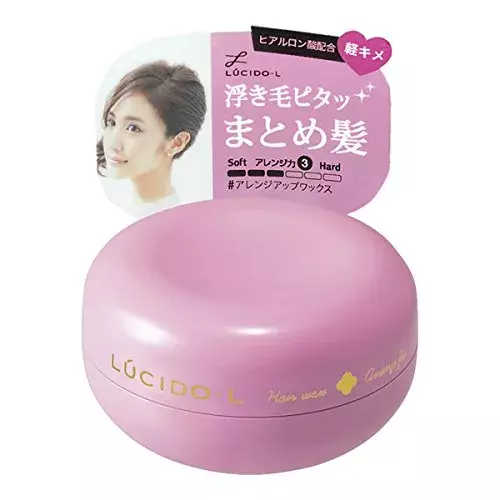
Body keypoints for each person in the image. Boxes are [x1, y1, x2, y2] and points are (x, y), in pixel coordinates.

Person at [96, 60, 207, 216]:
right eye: (112, 122)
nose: (113, 144)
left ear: (177, 143)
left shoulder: (170, 219)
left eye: (133, 128)